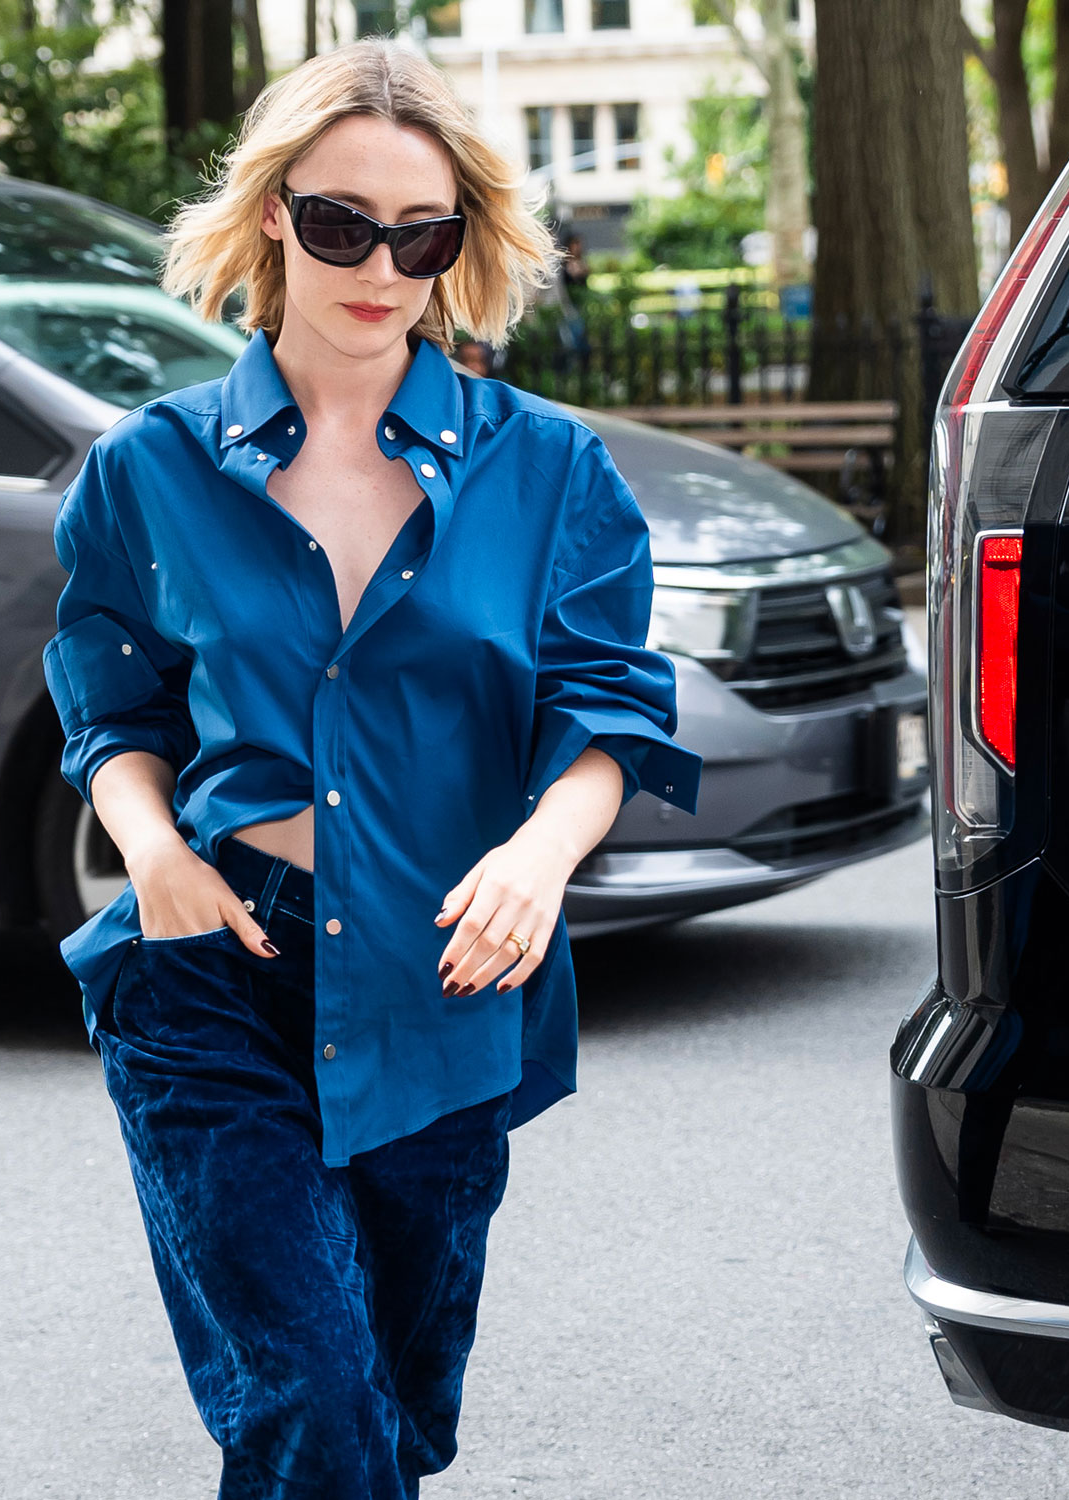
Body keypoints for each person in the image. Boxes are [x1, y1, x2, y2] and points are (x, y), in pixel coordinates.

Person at [42, 37, 702, 1499]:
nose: (380, 269)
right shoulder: (148, 469)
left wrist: (539, 857)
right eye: (342, 224)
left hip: (444, 974)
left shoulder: (552, 472)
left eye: (422, 236)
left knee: (396, 1414)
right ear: (275, 214)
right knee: (313, 1403)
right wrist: (152, 851)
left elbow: (606, 713)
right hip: (214, 964)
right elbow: (110, 710)